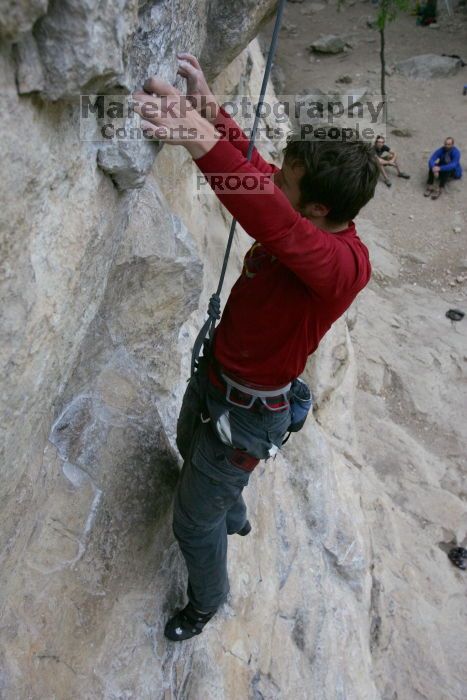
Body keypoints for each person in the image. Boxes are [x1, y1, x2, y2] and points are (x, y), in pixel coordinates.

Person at [133, 53, 380, 642]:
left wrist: (195, 137)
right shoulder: (305, 215)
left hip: (246, 416)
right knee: (187, 449)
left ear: (319, 209)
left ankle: (205, 603)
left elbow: (271, 218)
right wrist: (215, 120)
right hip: (220, 380)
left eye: (289, 184)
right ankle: (231, 510)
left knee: (193, 526)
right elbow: (265, 180)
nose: (275, 181)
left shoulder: (342, 265)